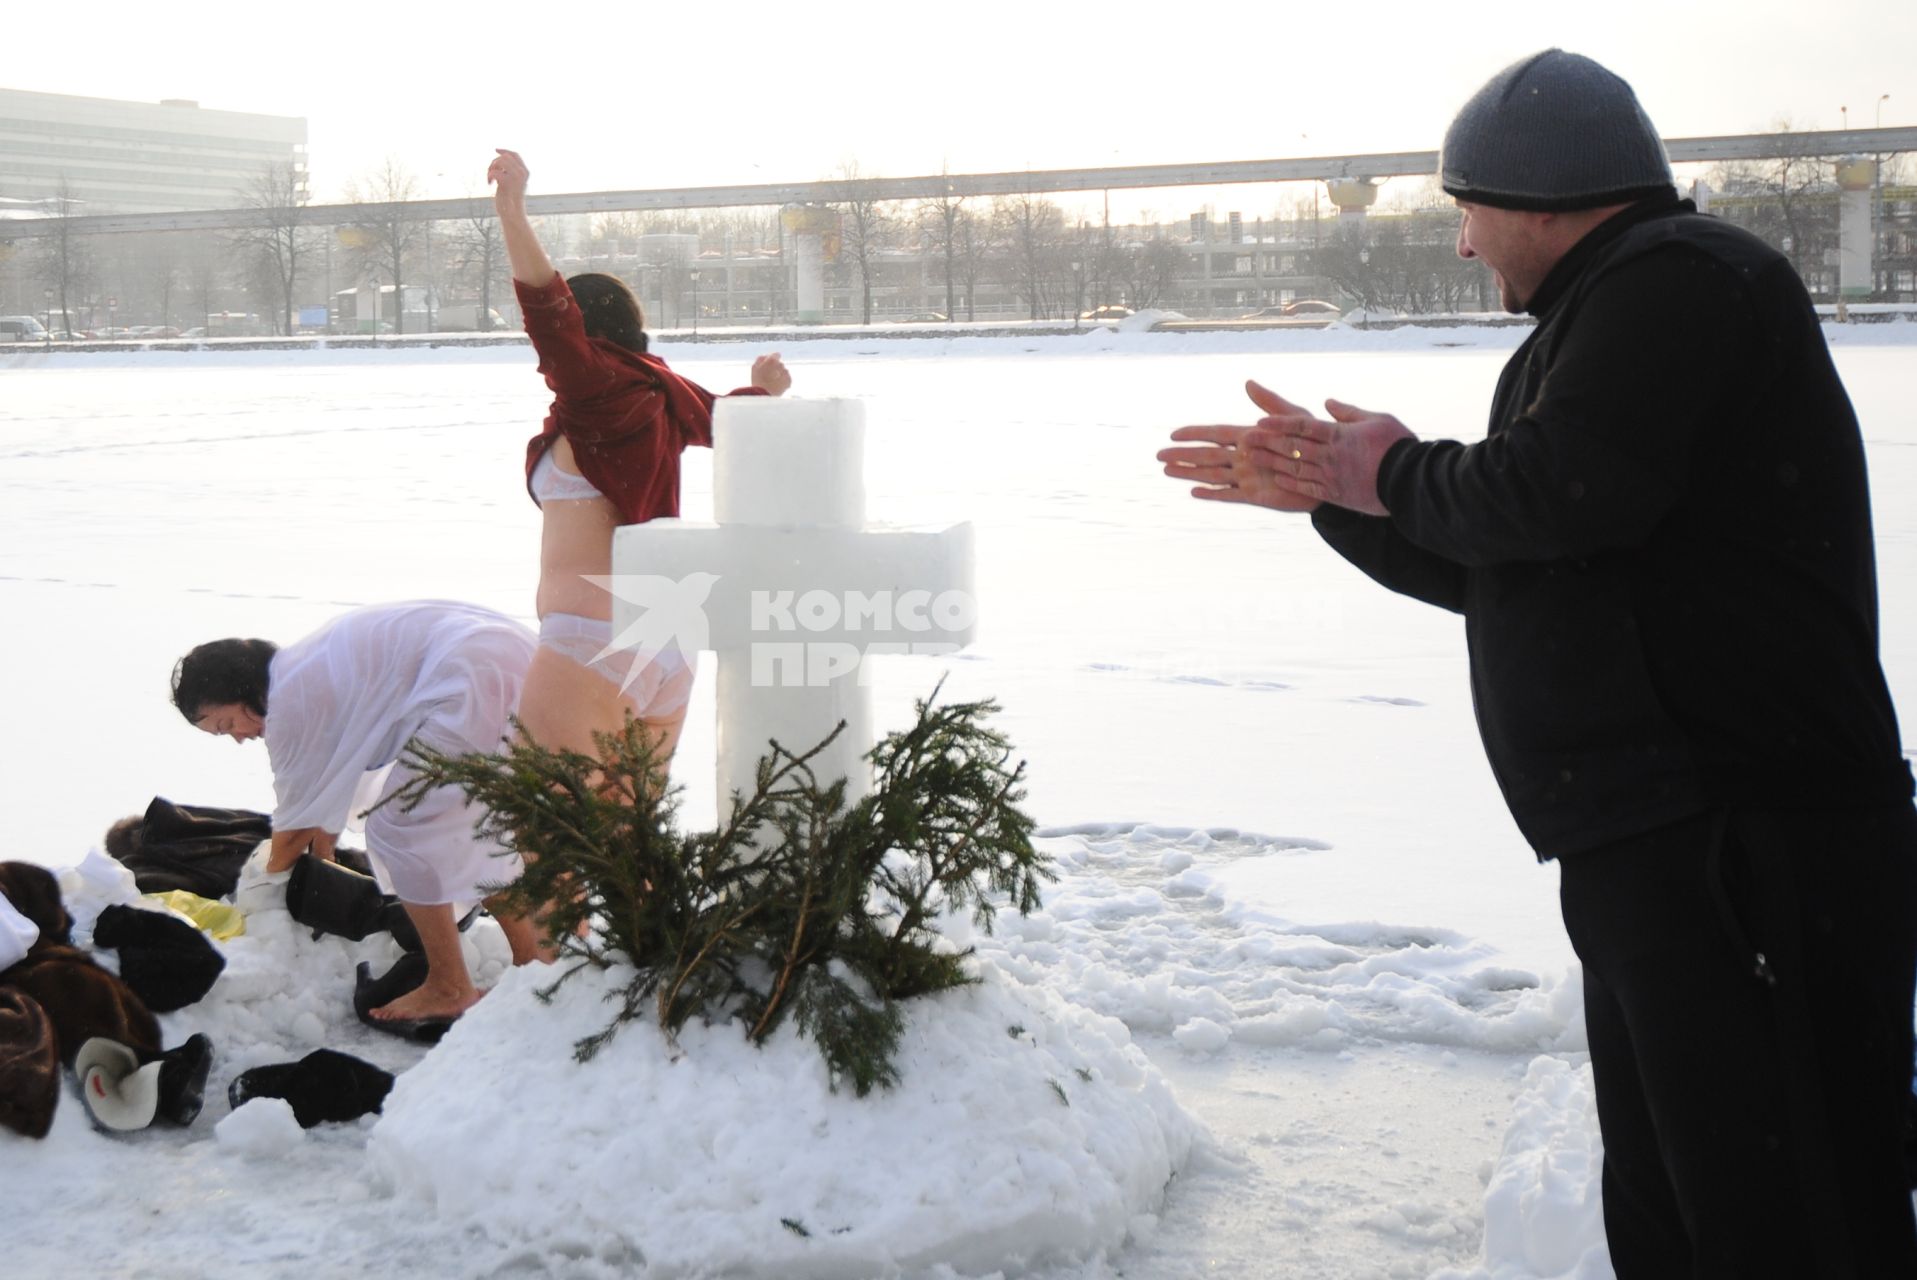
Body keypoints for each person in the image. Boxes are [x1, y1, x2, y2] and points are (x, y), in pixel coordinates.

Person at [1158, 50, 1917, 1278]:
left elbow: (1560, 493)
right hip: (1666, 848)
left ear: (1545, 196)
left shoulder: (1684, 282)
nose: (1464, 246)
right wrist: (1340, 500)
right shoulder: (1617, 307)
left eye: (1467, 210)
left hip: (1750, 843)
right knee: (1683, 1205)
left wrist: (1391, 473)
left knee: (1787, 1214)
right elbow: (1523, 564)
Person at [489, 148, 791, 774]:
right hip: (669, 647)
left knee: (547, 847)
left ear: (586, 331)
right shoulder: (662, 390)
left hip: (591, 648)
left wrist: (512, 211)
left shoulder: (596, 389)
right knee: (632, 853)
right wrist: (765, 391)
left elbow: (548, 311)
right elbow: (730, 420)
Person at [173, 600, 541, 1027]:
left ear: (238, 692)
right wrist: (323, 858)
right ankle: (532, 964)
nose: (238, 738)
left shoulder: (291, 702)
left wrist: (258, 895)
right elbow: (322, 802)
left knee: (405, 831)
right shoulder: (306, 666)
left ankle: (448, 986)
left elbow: (293, 829)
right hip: (519, 659)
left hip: (474, 677)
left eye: (225, 724)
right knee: (469, 828)